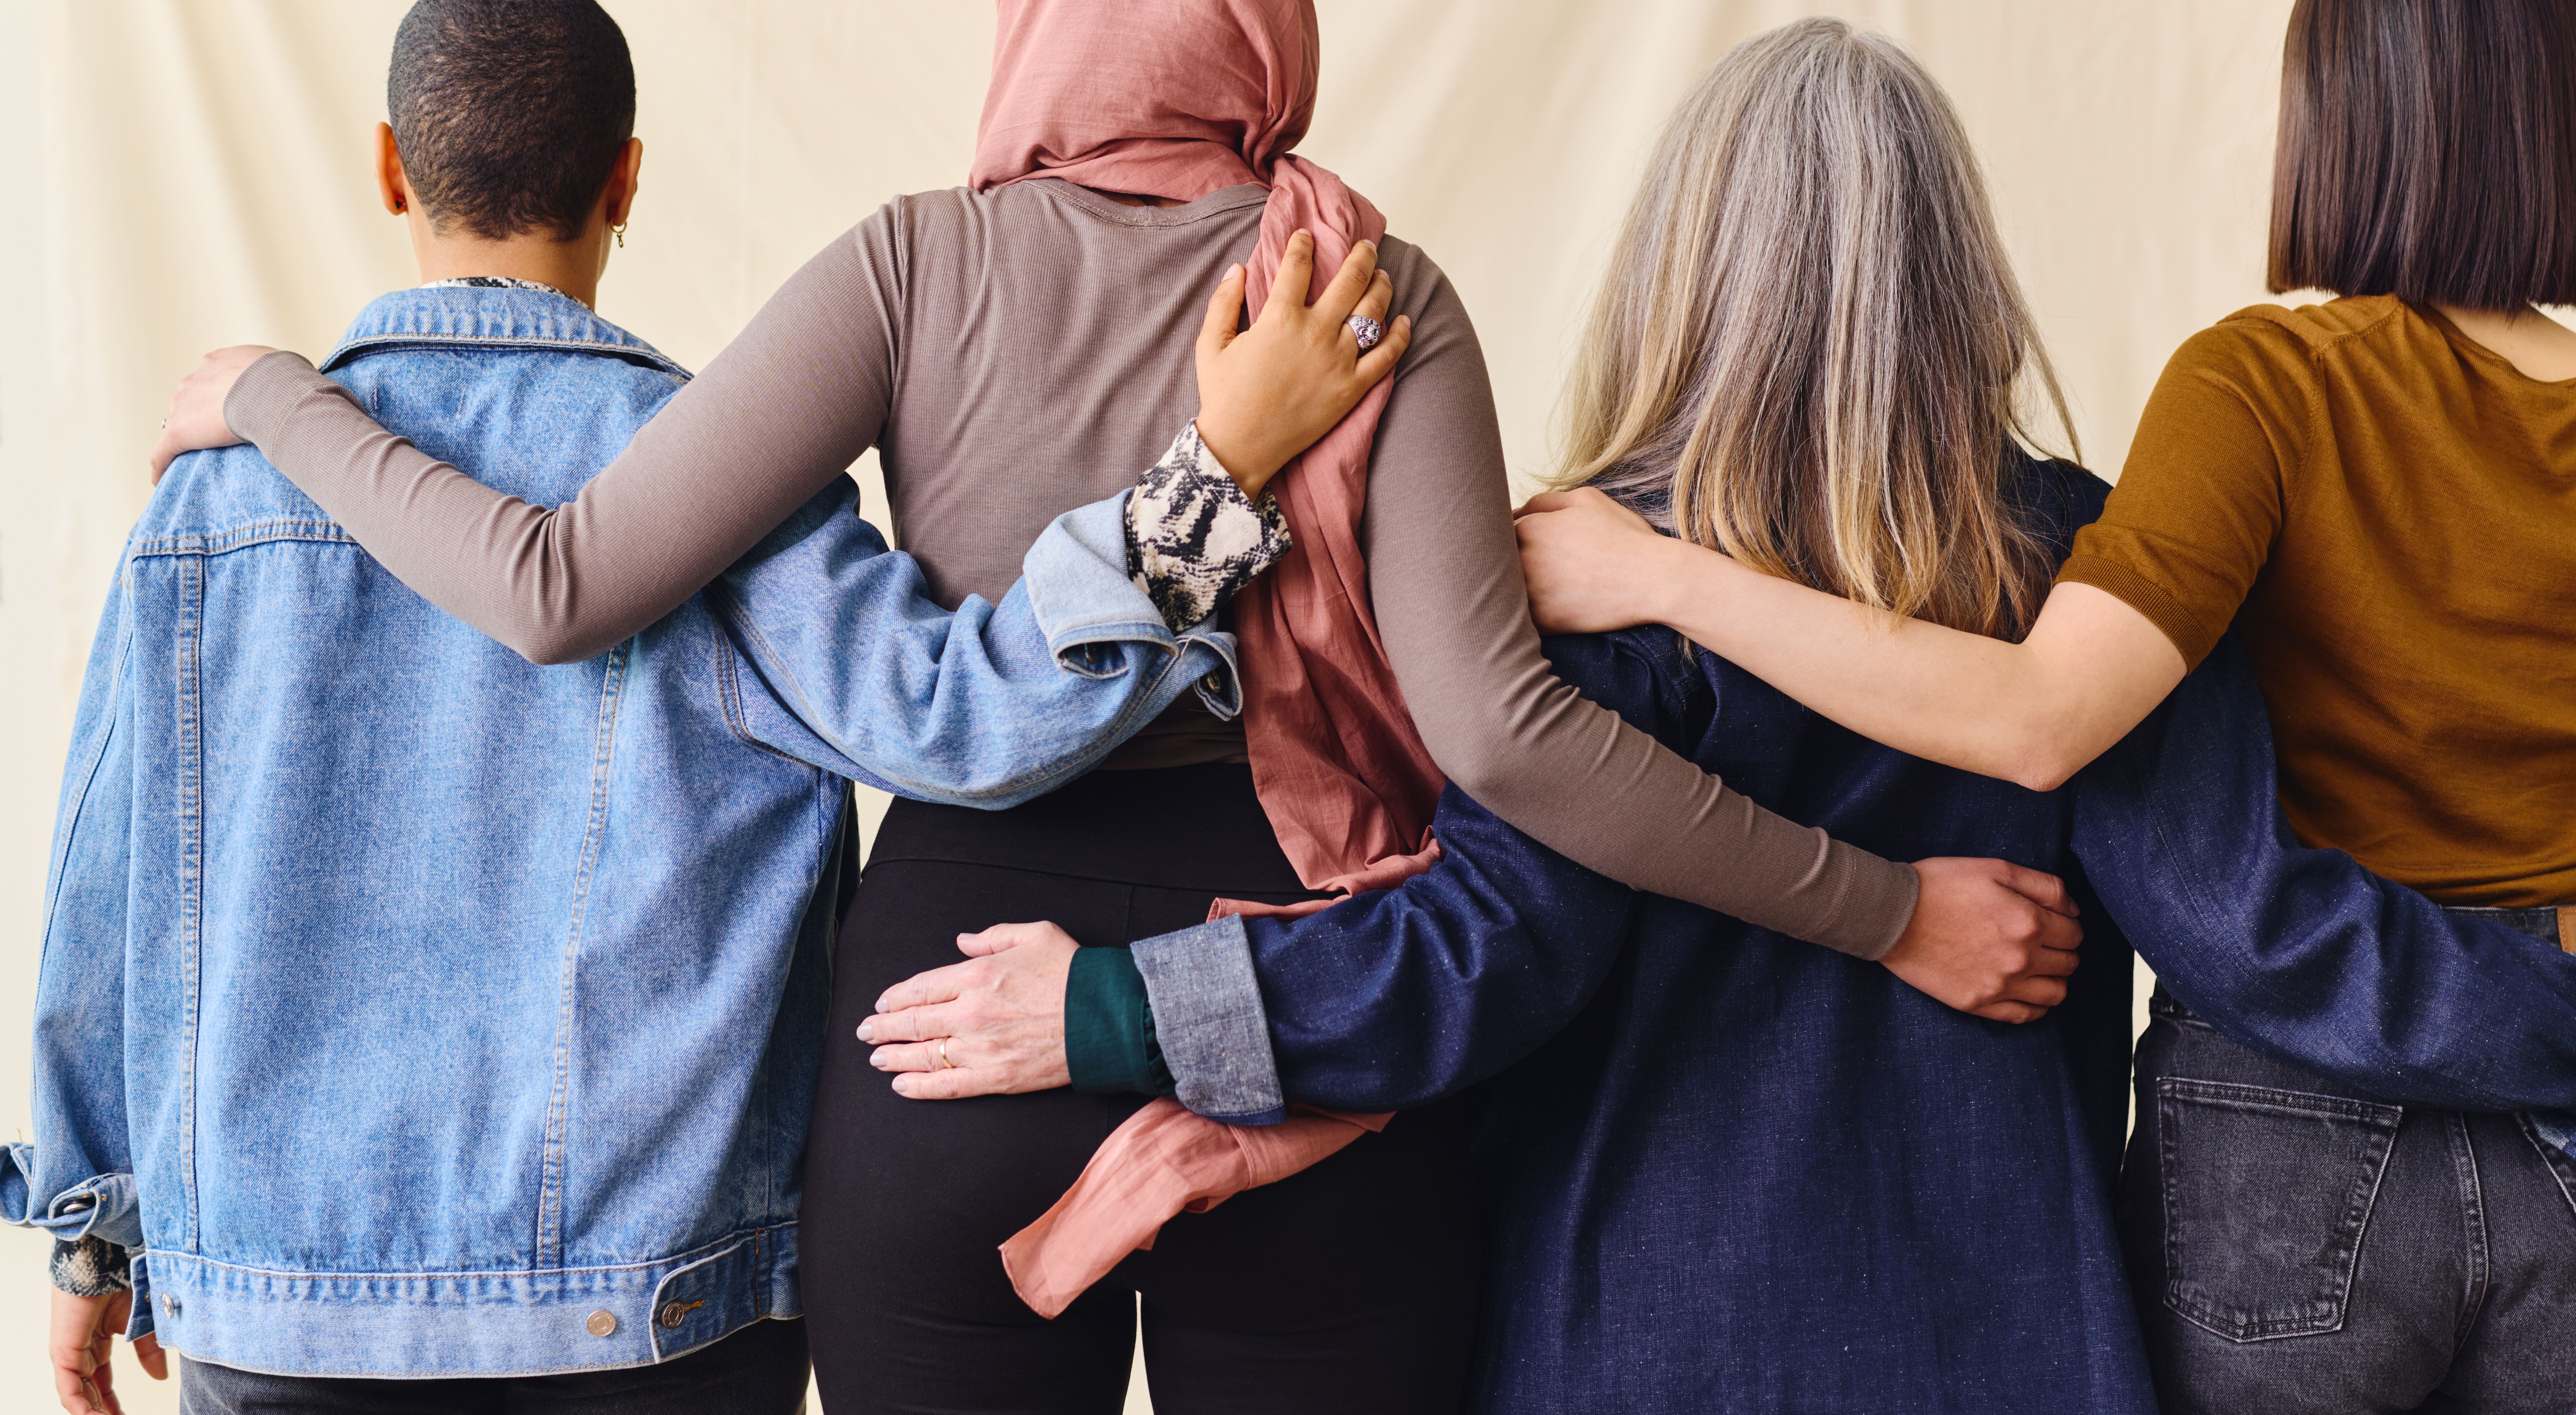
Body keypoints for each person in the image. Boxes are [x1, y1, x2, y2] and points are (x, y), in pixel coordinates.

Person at [142, 1, 2096, 1409]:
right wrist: (1886, 904)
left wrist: (269, 394)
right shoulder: (1362, 287)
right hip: (1322, 1041)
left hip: (948, 1026)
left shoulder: (913, 267)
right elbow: (1506, 741)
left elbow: (555, 585)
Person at [882, 20, 2576, 1413]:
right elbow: (2261, 929)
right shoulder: (2075, 565)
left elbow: (1481, 956)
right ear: (1959, 281)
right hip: (2020, 1346)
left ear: (1685, 269)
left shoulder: (1590, 574)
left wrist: (1121, 1004)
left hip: (1635, 1338)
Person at [12, 2, 1391, 1411]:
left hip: (273, 1307)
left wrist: (89, 1234)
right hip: (651, 1315)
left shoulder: (215, 494)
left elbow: (107, 893)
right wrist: (1210, 489)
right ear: (627, 180)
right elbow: (966, 719)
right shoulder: (731, 500)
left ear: (389, 168)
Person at [1512, 1, 2576, 1410]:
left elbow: (2049, 718)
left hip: (2293, 1126)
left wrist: (1667, 578)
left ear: (2339, 124)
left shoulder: (2264, 390)